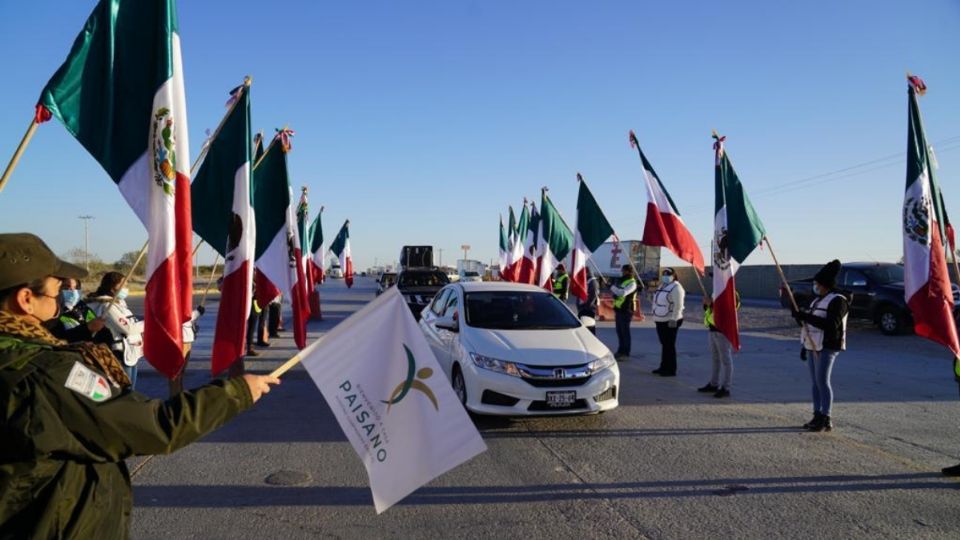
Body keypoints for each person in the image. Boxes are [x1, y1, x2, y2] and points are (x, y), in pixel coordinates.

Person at [0, 233, 279, 538]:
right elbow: (154, 426)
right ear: (25, 299)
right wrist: (236, 393)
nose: (59, 304)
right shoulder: (45, 375)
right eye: (55, 293)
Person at [792, 259, 848, 432]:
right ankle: (817, 415)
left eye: (817, 284)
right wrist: (798, 317)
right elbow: (808, 326)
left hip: (828, 346)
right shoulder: (817, 301)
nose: (815, 286)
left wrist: (805, 316)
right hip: (812, 345)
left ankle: (826, 416)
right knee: (815, 383)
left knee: (822, 381)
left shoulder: (838, 301)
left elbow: (831, 324)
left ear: (825, 284)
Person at [86, 272, 144, 389]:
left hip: (131, 352)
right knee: (125, 393)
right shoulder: (107, 305)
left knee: (131, 391)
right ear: (112, 287)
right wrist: (150, 324)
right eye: (123, 285)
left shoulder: (119, 303)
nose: (125, 288)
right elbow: (129, 328)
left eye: (126, 284)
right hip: (119, 354)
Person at [699, 289, 740, 398]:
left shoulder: (730, 291)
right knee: (715, 359)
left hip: (723, 331)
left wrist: (711, 304)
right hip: (713, 329)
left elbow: (730, 309)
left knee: (726, 360)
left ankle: (726, 387)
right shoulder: (716, 290)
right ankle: (714, 383)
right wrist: (706, 305)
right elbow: (711, 311)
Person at [45, 277, 109, 344]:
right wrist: (87, 328)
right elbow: (57, 339)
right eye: (67, 287)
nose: (73, 291)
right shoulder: (52, 313)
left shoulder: (84, 309)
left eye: (76, 288)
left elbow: (100, 332)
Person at [652, 267, 685, 376]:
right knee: (664, 344)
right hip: (660, 319)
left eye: (668, 274)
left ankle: (671, 369)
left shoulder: (676, 287)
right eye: (664, 274)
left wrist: (674, 319)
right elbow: (658, 300)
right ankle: (663, 366)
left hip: (670, 320)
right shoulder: (662, 286)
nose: (666, 276)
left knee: (669, 345)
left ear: (674, 275)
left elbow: (678, 305)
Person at [169, 304, 205, 396]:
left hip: (187, 339)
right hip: (181, 340)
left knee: (181, 372)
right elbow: (183, 318)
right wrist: (197, 313)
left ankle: (179, 393)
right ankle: (175, 395)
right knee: (177, 371)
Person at [610, 264, 639, 360]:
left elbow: (622, 293)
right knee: (619, 331)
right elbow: (618, 292)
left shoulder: (632, 283)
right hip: (619, 309)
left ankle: (625, 352)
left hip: (627, 310)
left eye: (623, 270)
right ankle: (620, 350)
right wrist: (614, 292)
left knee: (625, 332)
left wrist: (612, 288)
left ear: (628, 271)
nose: (622, 272)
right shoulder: (622, 281)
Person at [576, 268, 601, 335]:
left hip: (588, 309)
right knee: (584, 328)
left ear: (587, 273)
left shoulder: (592, 282)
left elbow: (592, 296)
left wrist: (586, 306)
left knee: (589, 328)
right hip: (583, 308)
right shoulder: (587, 281)